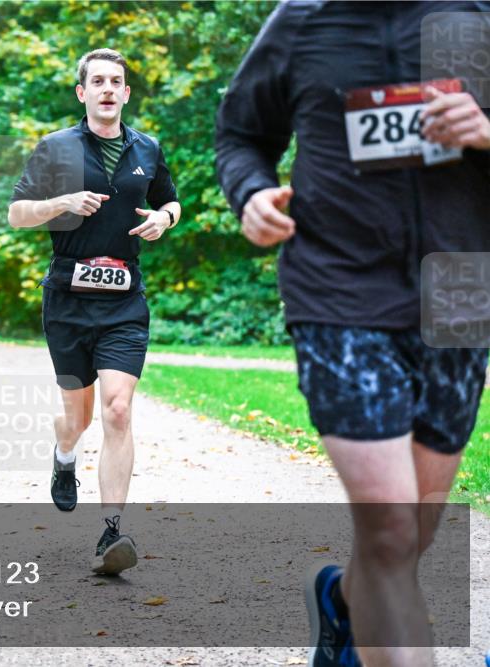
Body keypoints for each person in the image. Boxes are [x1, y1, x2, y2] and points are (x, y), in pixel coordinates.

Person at [215, 4, 489, 666]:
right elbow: (240, 135)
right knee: (391, 532)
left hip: (458, 296)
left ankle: (341, 602)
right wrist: (250, 191)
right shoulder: (303, 20)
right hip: (337, 290)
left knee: (411, 534)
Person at [8, 48, 181, 575]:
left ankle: (112, 533)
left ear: (126, 94)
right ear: (82, 93)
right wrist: (60, 203)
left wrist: (164, 220)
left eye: (117, 82)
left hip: (125, 300)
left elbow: (171, 201)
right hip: (67, 298)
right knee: (78, 417)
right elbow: (17, 214)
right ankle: (64, 456)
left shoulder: (146, 148)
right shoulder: (55, 147)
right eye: (97, 81)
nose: (108, 89)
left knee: (118, 410)